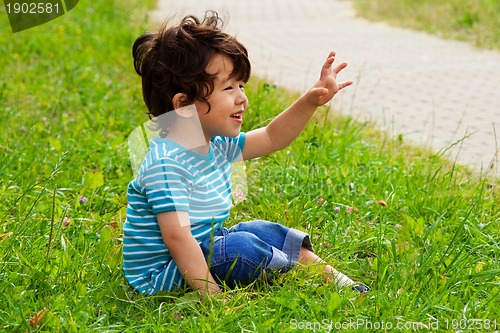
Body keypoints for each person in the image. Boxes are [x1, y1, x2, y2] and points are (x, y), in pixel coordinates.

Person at [123, 10, 371, 296]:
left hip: (205, 243)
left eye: (241, 85)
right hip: (164, 273)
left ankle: (341, 282)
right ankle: (286, 269)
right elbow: (177, 238)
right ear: (183, 105)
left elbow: (271, 137)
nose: (242, 97)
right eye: (228, 88)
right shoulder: (167, 164)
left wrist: (310, 100)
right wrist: (212, 298)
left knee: (264, 231)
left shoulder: (214, 143)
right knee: (241, 247)